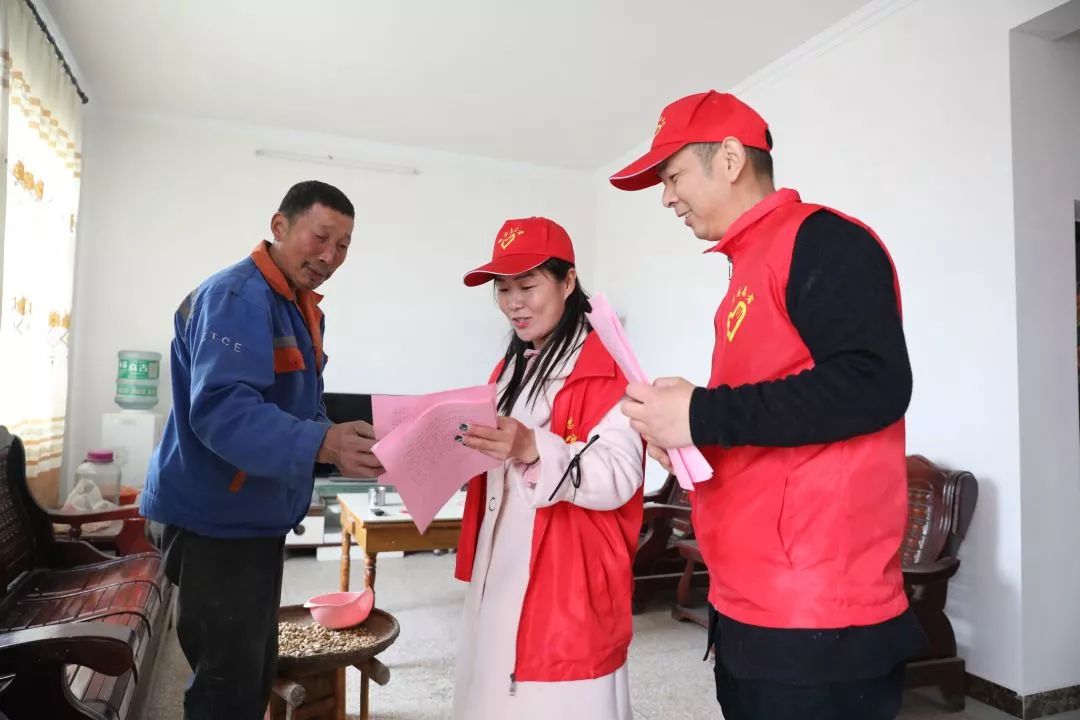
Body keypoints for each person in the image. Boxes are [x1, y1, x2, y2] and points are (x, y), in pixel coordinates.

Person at [610, 91, 925, 720]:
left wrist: (700, 414)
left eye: (672, 176)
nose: (666, 198)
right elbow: (767, 411)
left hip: (817, 608)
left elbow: (874, 383)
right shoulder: (748, 268)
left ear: (730, 159)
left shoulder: (822, 240)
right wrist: (690, 438)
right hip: (749, 592)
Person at [140, 180, 384, 720]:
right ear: (279, 226)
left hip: (253, 514)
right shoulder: (236, 298)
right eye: (321, 237)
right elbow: (223, 412)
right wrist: (322, 441)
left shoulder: (298, 306)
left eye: (343, 245)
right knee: (227, 685)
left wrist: (336, 435)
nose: (330, 256)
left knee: (252, 668)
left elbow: (296, 403)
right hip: (215, 520)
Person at [452, 216, 645, 720]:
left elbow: (620, 475)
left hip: (565, 569)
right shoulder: (510, 369)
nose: (513, 302)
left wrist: (534, 448)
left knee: (556, 700)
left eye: (528, 286)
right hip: (502, 559)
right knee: (494, 686)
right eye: (503, 289)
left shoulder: (607, 367)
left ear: (568, 281)